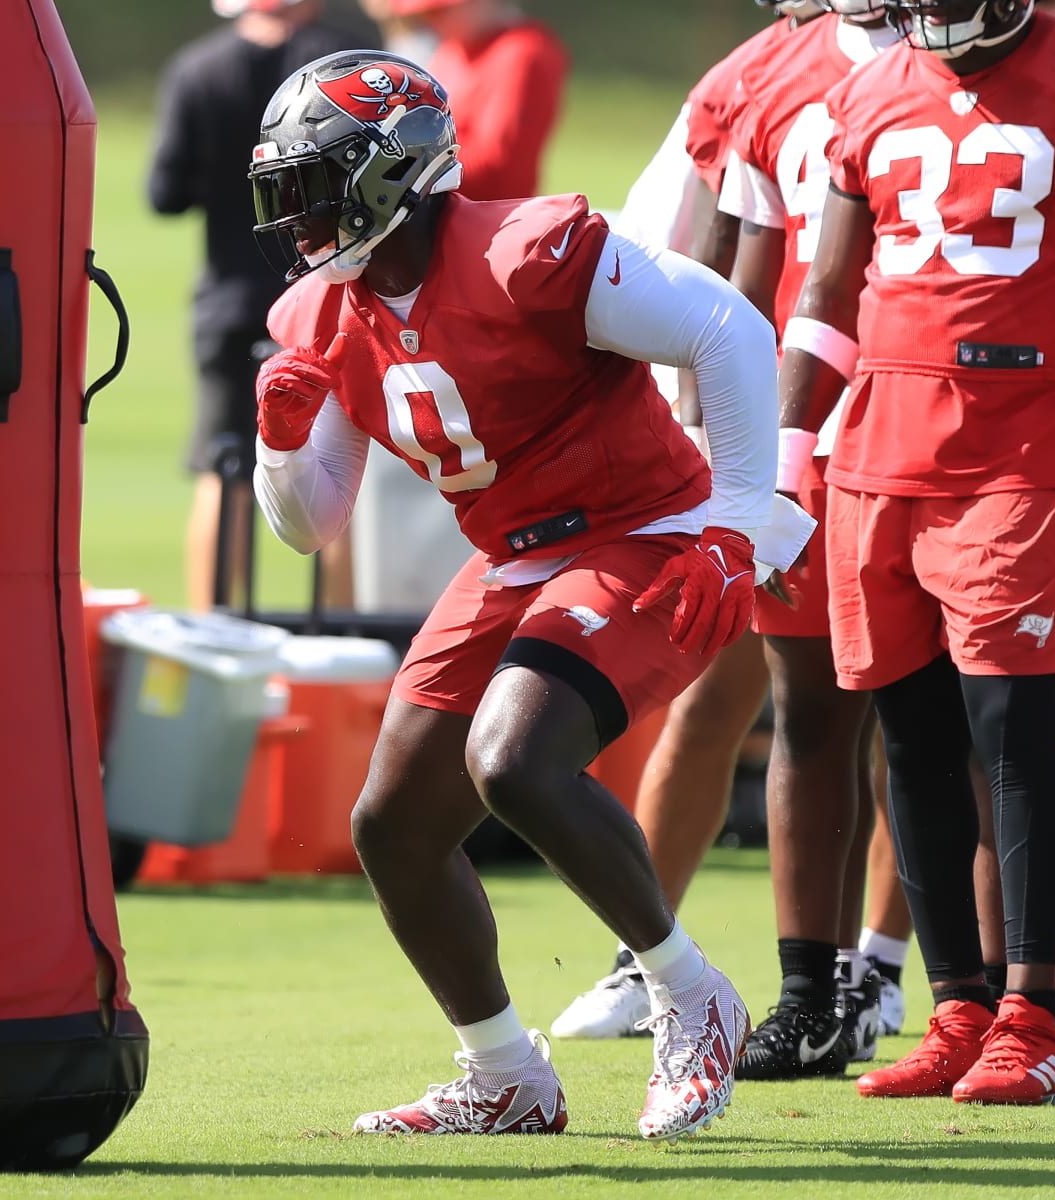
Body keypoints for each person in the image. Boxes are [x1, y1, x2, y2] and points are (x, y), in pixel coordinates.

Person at [248, 50, 811, 1138]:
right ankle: (504, 1072)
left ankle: (692, 996)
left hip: (645, 531)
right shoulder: (319, 315)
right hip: (513, 554)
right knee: (393, 825)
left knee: (513, 759)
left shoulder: (528, 253)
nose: (300, 220)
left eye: (316, 185)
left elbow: (729, 329)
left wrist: (740, 524)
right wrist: (280, 447)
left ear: (389, 172)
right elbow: (309, 524)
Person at [784, 0, 1055, 1104]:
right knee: (911, 738)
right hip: (878, 442)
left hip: (1022, 437)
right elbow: (828, 293)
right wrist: (784, 450)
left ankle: (1032, 1013)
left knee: (1011, 726)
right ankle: (957, 1009)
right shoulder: (871, 86)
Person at [549, 0, 825, 1046]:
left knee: (911, 712)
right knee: (720, 698)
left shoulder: (964, 67)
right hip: (767, 425)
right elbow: (669, 253)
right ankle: (642, 956)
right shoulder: (745, 77)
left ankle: (908, 972)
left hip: (904, 413)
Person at [709, 0, 901, 1080]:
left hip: (952, 432)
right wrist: (723, 450)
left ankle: (983, 986)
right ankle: (808, 991)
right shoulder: (772, 79)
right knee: (809, 714)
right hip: (806, 443)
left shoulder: (1002, 67)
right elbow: (740, 285)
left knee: (953, 729)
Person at [146, 0, 357, 612]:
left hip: (229, 300)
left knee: (223, 470)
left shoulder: (197, 68)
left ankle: (215, 629)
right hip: (325, 296)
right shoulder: (337, 66)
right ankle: (341, 639)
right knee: (340, 470)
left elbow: (166, 193)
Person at [385, 0, 568, 202]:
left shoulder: (522, 52)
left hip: (490, 219)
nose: (429, 22)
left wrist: (398, 160)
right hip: (445, 211)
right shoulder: (452, 50)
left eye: (439, 11)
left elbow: (495, 170)